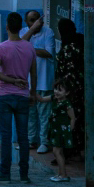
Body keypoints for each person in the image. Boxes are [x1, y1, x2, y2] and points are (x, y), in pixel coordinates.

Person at [0, 13, 37, 183]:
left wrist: (11, 80)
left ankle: (5, 173)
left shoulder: (1, 48)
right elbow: (34, 72)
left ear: (7, 27)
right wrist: (33, 92)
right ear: (21, 26)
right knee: (23, 138)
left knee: (6, 136)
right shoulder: (29, 47)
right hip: (23, 95)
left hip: (4, 96)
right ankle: (24, 174)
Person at [24, 10, 57, 153]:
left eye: (37, 19)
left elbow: (49, 53)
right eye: (32, 20)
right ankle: (31, 140)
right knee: (30, 114)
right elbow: (18, 46)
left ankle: (44, 141)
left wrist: (29, 48)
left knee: (44, 115)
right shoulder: (24, 32)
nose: (36, 22)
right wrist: (30, 32)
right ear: (27, 22)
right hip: (27, 83)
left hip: (44, 80)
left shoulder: (48, 32)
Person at [55, 17, 85, 153]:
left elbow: (64, 70)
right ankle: (78, 148)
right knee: (78, 117)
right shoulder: (80, 42)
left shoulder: (68, 47)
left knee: (68, 118)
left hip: (68, 89)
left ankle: (67, 150)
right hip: (80, 87)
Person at [39, 81, 78, 182]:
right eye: (56, 89)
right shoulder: (54, 99)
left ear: (67, 93)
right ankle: (61, 174)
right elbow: (42, 99)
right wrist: (32, 91)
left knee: (57, 152)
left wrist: (69, 131)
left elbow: (72, 118)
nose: (56, 92)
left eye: (60, 90)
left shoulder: (66, 104)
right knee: (58, 152)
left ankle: (63, 175)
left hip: (62, 131)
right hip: (55, 130)